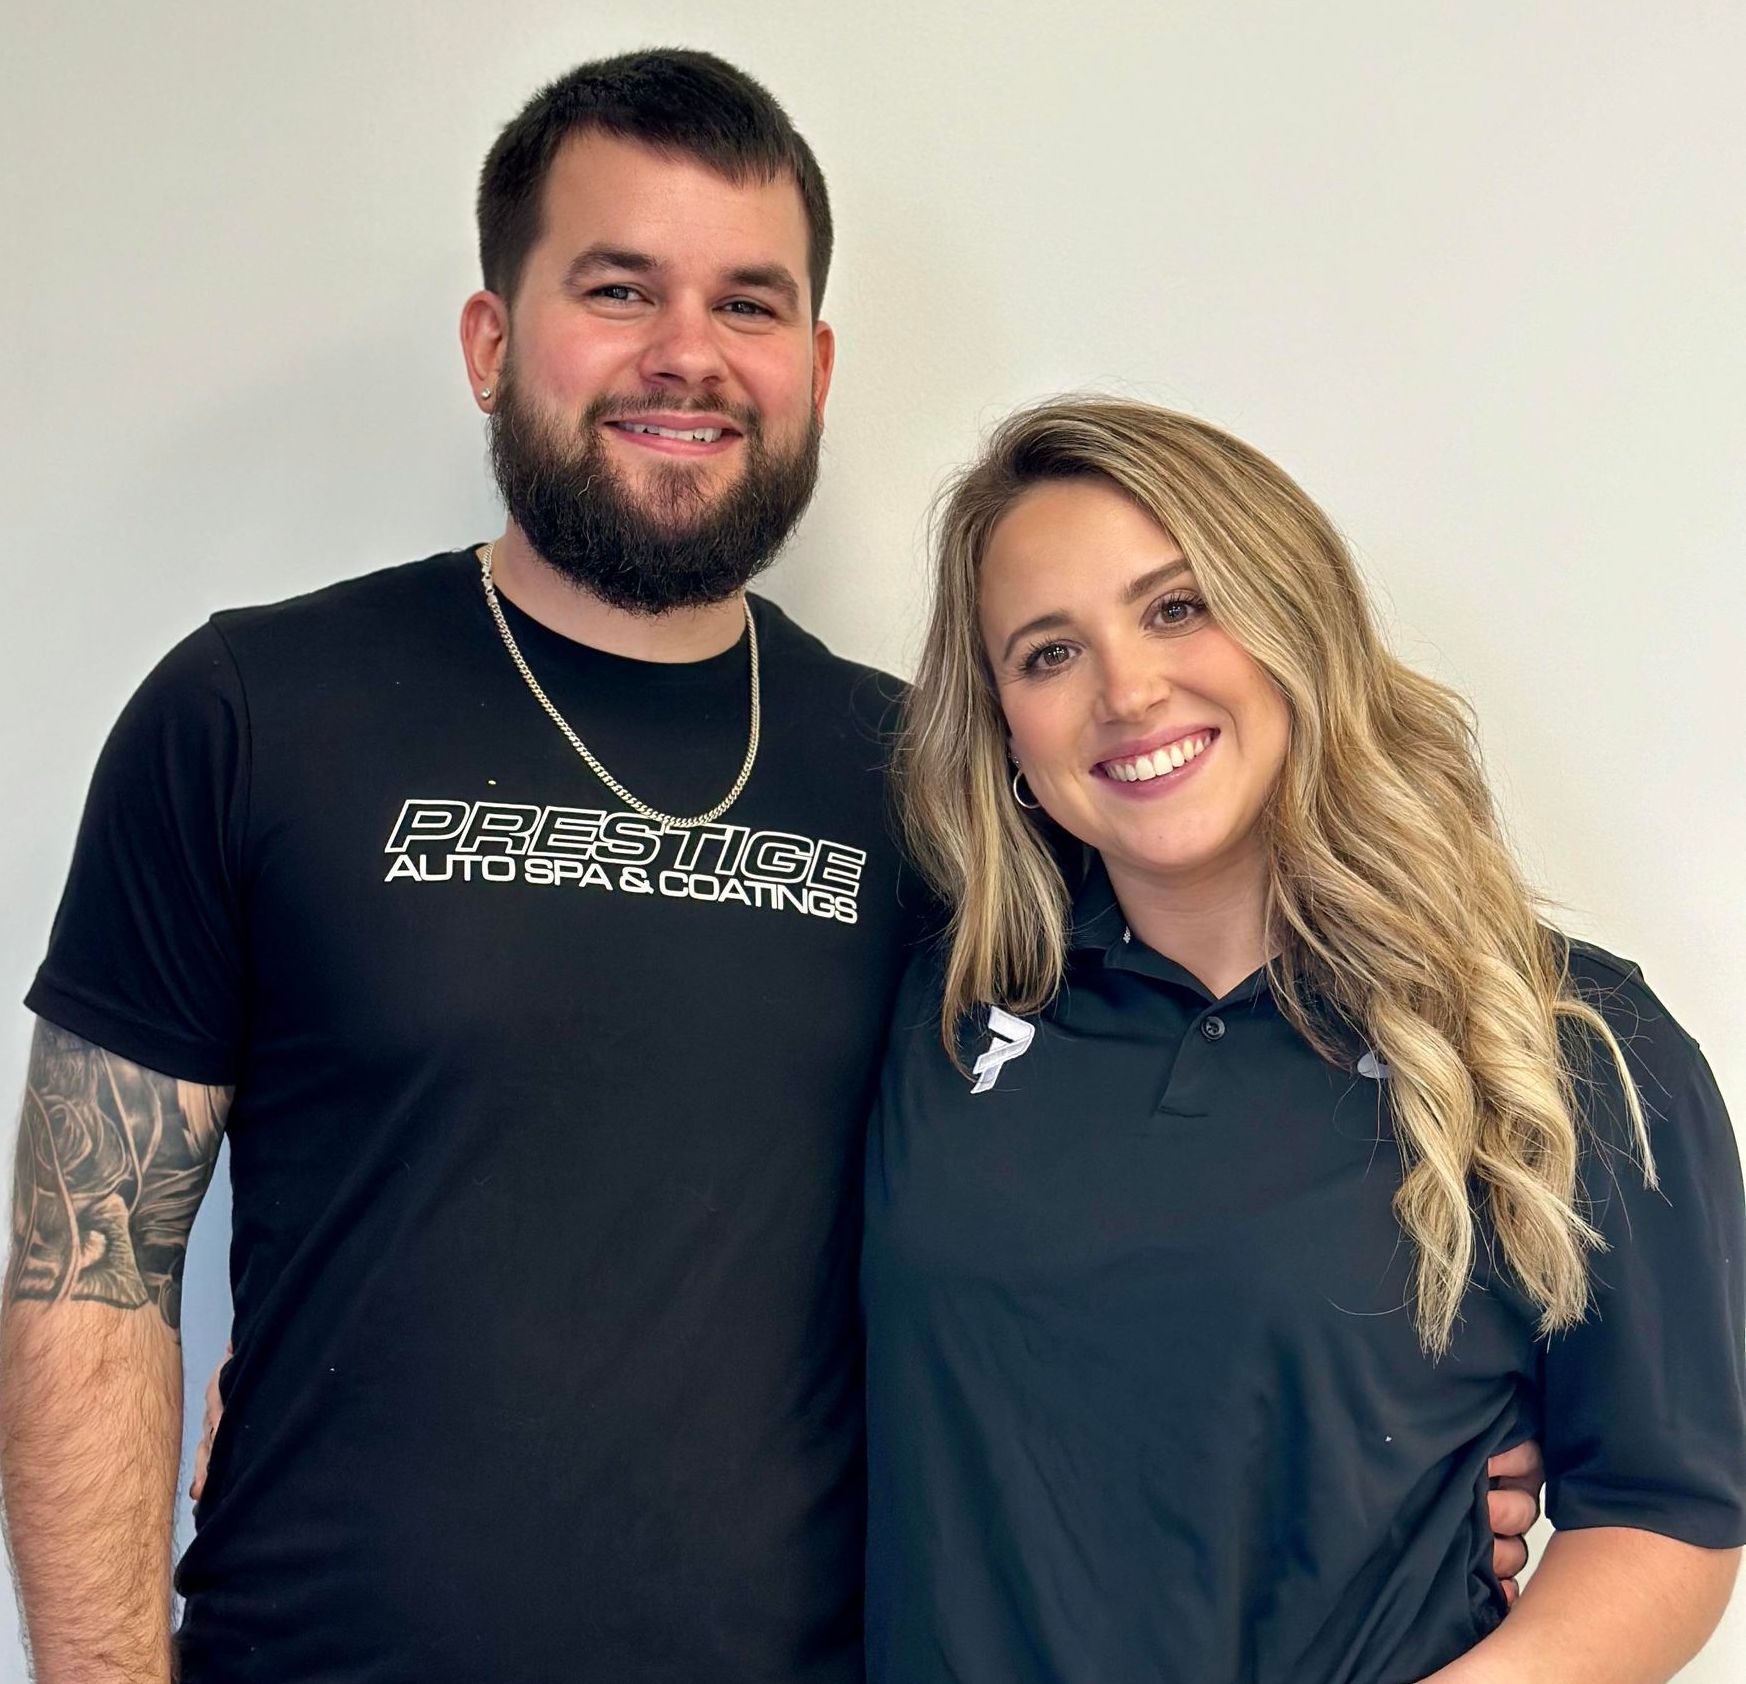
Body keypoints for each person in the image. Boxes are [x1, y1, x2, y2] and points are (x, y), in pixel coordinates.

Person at [0, 48, 1540, 1684]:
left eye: (747, 304)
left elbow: (1196, 1121)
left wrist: (1421, 1439)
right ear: (489, 338)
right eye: (619, 287)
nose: (689, 354)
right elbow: (84, 1272)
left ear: (811, 361)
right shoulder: (252, 713)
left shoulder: (945, 784)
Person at [864, 396, 1746, 1682]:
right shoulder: (932, 1014)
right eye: (1049, 652)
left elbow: (1666, 1512)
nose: (1128, 688)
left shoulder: (1568, 1047)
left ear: (1297, 628)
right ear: (1004, 729)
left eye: (1177, 606)